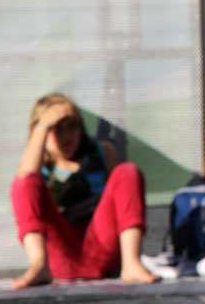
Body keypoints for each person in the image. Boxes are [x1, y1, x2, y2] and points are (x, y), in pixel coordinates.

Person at [9, 93, 159, 288]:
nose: (66, 136)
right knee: (24, 182)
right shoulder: (37, 165)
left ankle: (131, 263)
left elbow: (121, 198)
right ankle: (39, 265)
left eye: (72, 126)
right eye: (57, 128)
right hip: (60, 258)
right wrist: (43, 126)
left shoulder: (102, 152)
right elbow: (26, 177)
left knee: (127, 171)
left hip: (102, 248)